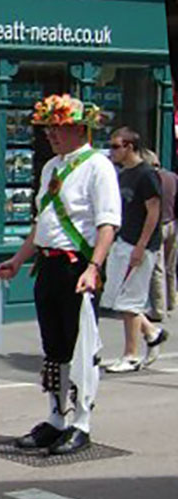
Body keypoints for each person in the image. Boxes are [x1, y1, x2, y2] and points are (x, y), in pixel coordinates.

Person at [0, 94, 120, 455]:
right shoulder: (51, 167)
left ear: (80, 129)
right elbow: (43, 222)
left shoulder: (98, 166)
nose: (50, 134)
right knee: (53, 348)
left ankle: (82, 422)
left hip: (78, 267)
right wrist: (18, 259)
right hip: (49, 266)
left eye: (58, 127)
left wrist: (94, 268)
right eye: (48, 128)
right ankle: (56, 418)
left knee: (81, 347)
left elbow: (108, 223)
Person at [101, 127, 167, 372]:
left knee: (130, 301)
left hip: (139, 245)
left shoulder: (146, 174)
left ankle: (131, 355)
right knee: (117, 298)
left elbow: (153, 212)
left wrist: (141, 246)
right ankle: (152, 332)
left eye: (115, 146)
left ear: (129, 146)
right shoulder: (123, 174)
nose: (112, 151)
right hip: (122, 241)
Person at [144, 150, 177, 322]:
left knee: (157, 268)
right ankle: (171, 301)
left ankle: (158, 309)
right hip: (172, 223)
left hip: (157, 225)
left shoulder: (149, 179)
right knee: (170, 266)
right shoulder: (172, 177)